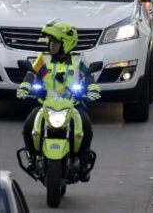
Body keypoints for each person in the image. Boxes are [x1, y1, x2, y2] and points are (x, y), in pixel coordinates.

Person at [16, 21, 99, 179]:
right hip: (46, 105)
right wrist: (25, 85)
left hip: (73, 106)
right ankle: (32, 158)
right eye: (50, 41)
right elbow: (32, 73)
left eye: (55, 42)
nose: (51, 45)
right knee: (29, 124)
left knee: (86, 124)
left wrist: (93, 89)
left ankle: (83, 161)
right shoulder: (43, 58)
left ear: (66, 43)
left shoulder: (79, 59)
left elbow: (88, 77)